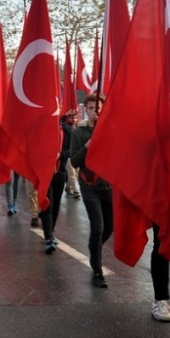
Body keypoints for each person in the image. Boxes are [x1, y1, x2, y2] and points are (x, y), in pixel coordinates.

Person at [69, 94, 113, 288]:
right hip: (89, 186)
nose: (96, 111)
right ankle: (97, 271)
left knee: (109, 228)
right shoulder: (79, 133)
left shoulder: (110, 129)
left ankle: (94, 248)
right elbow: (74, 161)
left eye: (99, 107)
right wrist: (87, 146)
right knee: (98, 227)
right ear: (86, 110)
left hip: (108, 186)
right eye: (92, 108)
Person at [40, 114, 71, 253]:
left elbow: (71, 150)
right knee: (48, 203)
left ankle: (51, 231)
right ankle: (48, 237)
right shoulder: (42, 128)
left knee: (57, 204)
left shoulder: (66, 129)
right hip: (45, 173)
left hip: (60, 172)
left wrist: (61, 155)